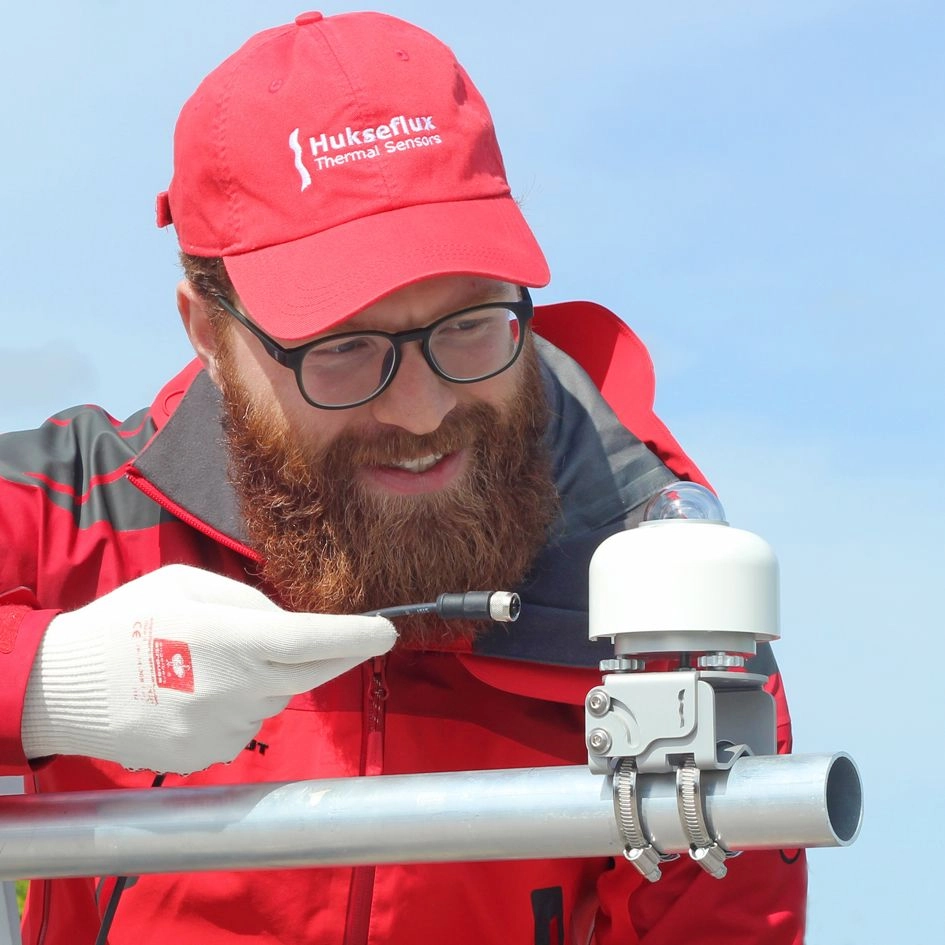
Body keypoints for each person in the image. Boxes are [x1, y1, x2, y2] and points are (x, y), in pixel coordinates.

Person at [0, 10, 806, 944]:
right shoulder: (70, 513)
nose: (422, 411)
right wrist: (50, 683)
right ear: (207, 332)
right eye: (344, 347)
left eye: (470, 323)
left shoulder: (661, 601)